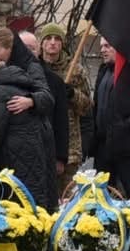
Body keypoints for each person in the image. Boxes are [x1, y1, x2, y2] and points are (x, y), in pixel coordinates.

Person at [0, 26, 56, 251]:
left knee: (19, 209)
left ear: (10, 48)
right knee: (30, 208)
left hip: (20, 154)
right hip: (31, 151)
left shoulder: (28, 68)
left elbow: (47, 97)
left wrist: (31, 100)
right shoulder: (13, 76)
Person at [91, 34, 130, 200]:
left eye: (107, 46)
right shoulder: (103, 71)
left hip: (128, 148)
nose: (103, 50)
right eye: (101, 47)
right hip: (104, 149)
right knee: (104, 199)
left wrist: (121, 128)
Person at [39, 24, 93, 185]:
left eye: (57, 39)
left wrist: (71, 94)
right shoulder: (35, 69)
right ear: (41, 43)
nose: (53, 42)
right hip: (40, 142)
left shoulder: (75, 70)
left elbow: (87, 106)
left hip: (69, 147)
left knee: (66, 198)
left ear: (63, 43)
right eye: (48, 38)